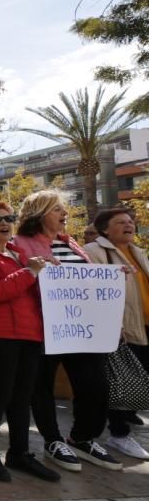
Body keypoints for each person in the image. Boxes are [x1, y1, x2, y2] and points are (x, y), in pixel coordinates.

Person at [14, 190, 121, 472]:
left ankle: (82, 438)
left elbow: (86, 282)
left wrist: (110, 280)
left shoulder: (71, 243)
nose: (65, 214)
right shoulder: (20, 244)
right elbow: (19, 282)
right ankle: (52, 441)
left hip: (82, 330)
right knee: (42, 386)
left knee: (96, 386)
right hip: (43, 329)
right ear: (39, 213)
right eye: (58, 209)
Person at [0, 201, 60, 482]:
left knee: (22, 396)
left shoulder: (18, 254)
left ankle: (20, 453)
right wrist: (30, 272)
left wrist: (53, 274)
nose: (4, 223)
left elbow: (33, 288)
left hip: (30, 333)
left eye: (9, 218)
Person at [83, 207, 149, 460]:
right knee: (121, 381)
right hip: (121, 329)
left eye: (130, 221)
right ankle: (119, 435)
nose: (128, 225)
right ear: (104, 229)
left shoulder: (138, 252)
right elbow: (91, 290)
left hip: (144, 326)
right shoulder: (94, 252)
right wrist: (110, 322)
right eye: (121, 222)